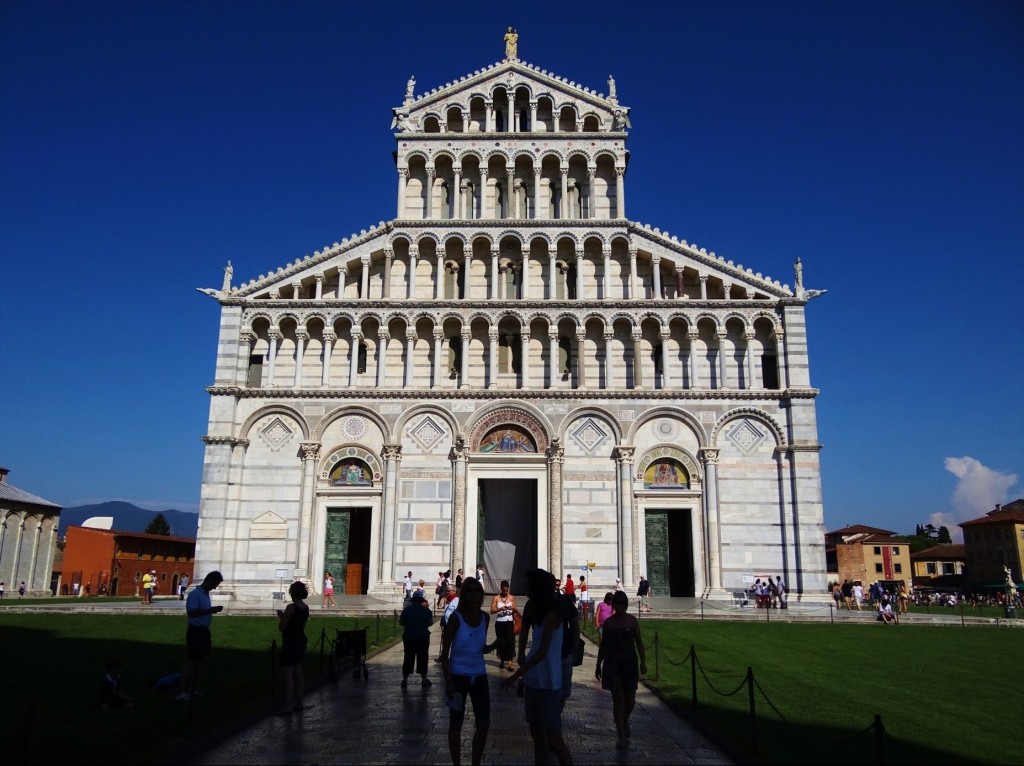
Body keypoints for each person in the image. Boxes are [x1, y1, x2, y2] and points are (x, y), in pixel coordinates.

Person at [504, 569, 572, 765]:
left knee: (555, 740)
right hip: (534, 683)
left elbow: (542, 652)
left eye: (528, 584)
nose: (525, 587)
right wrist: (525, 679)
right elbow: (532, 645)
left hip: (549, 684)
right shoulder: (536, 609)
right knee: (538, 739)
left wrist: (518, 674)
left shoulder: (552, 614)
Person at [440, 577, 498, 766]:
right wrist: (448, 680)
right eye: (470, 591)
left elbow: (479, 648)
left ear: (481, 595)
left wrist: (494, 646)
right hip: (458, 678)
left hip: (479, 676)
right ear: (464, 594)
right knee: (456, 723)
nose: (474, 594)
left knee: (484, 723)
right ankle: (456, 763)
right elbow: (445, 652)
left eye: (477, 591)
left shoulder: (485, 618)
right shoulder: (456, 618)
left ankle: (475, 763)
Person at [596, 591, 648, 749]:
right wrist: (598, 664)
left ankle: (624, 721)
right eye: (616, 603)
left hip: (629, 663)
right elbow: (603, 645)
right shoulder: (609, 623)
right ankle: (620, 735)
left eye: (621, 603)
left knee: (630, 701)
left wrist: (643, 662)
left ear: (625, 604)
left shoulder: (632, 621)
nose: (618, 605)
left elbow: (639, 642)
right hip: (613, 664)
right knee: (619, 699)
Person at [176, 571, 224, 702]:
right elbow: (191, 612)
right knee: (191, 661)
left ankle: (192, 689)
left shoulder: (205, 594)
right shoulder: (195, 594)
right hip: (195, 631)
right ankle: (181, 692)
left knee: (200, 661)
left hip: (203, 631)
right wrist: (211, 610)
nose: (215, 587)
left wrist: (211, 609)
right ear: (209, 581)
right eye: (215, 584)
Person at [275, 580, 310, 714]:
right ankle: (300, 702)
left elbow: (282, 627)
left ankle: (288, 705)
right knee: (298, 670)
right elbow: (300, 623)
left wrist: (282, 617)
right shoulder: (305, 607)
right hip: (301, 639)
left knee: (288, 673)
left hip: (290, 641)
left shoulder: (291, 607)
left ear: (292, 593)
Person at [399, 592, 433, 687]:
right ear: (421, 600)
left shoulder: (406, 610)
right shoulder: (426, 610)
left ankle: (405, 680)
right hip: (423, 637)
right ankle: (424, 679)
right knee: (423, 658)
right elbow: (430, 622)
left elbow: (401, 622)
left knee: (408, 658)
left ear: (413, 600)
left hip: (409, 637)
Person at [490, 579, 517, 671]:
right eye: (504, 590)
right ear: (501, 589)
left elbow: (515, 609)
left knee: (510, 641)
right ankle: (502, 660)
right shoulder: (496, 598)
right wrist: (499, 609)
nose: (505, 592)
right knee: (501, 641)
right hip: (500, 622)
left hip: (509, 622)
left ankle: (509, 662)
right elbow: (492, 610)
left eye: (507, 590)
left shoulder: (512, 597)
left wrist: (512, 610)